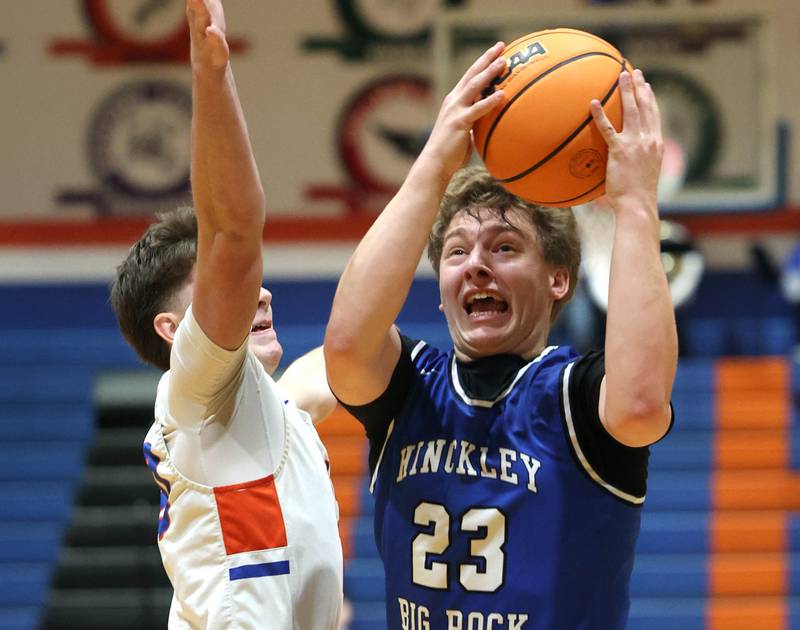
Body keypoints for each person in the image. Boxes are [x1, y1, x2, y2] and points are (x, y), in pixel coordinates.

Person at [324, 42, 677, 628]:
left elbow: (641, 404)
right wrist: (435, 161)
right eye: (457, 252)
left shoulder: (572, 396)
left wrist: (636, 204)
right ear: (440, 289)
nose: (476, 265)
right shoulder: (413, 387)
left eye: (505, 248)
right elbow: (345, 345)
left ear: (559, 278)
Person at [109, 1, 343, 627]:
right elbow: (235, 235)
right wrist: (211, 73)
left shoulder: (269, 407)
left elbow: (349, 350)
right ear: (173, 330)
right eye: (222, 291)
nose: (260, 295)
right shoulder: (196, 391)